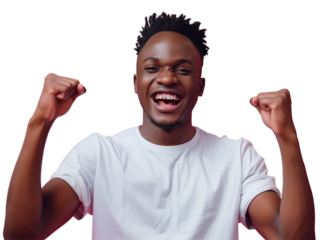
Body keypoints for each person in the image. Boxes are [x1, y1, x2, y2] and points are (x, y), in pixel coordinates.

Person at [2, 11, 316, 240]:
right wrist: (39, 123)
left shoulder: (238, 156)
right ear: (135, 84)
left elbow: (293, 237)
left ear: (202, 88)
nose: (166, 78)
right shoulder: (97, 153)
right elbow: (21, 232)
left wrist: (287, 137)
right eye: (153, 68)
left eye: (182, 69)